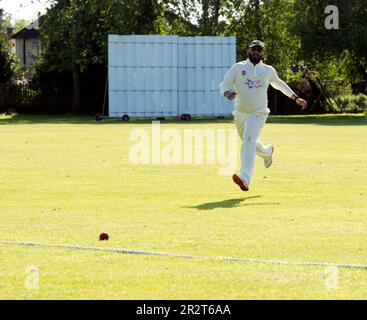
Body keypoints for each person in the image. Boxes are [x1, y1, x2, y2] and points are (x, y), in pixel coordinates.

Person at [220, 40, 307, 192]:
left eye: (259, 50)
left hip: (259, 112)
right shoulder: (238, 67)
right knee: (249, 141)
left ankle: (244, 178)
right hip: (240, 113)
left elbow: (279, 84)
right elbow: (225, 83)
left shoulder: (268, 70)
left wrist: (295, 98)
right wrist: (227, 92)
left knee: (248, 139)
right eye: (254, 49)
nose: (256, 52)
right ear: (248, 50)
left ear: (263, 53)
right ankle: (267, 152)